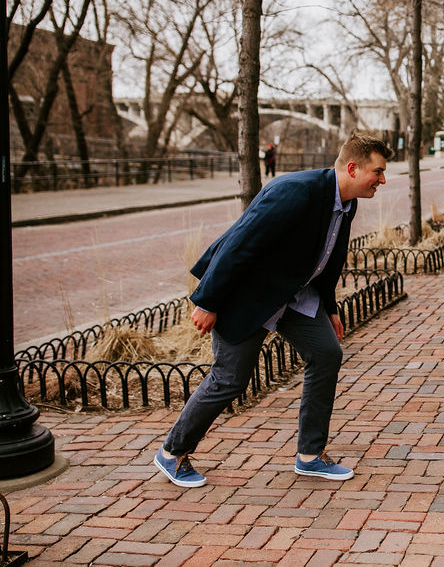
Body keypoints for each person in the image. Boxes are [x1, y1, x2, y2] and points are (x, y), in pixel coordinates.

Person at [153, 134, 392, 488]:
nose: (382, 180)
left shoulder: (347, 202)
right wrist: (208, 301)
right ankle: (172, 453)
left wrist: (330, 308)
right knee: (230, 379)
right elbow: (240, 243)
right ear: (353, 168)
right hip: (247, 295)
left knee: (327, 354)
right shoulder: (295, 191)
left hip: (293, 296)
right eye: (379, 171)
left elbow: (329, 259)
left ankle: (310, 456)